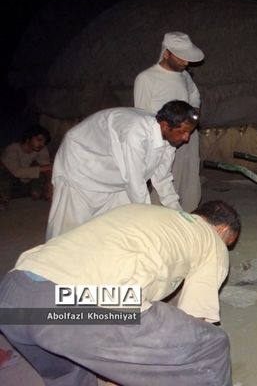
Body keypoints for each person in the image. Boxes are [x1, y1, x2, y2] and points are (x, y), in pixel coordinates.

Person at [0, 200, 241, 385]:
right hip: (83, 299)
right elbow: (195, 319)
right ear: (221, 230)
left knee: (69, 367)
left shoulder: (144, 210)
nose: (226, 248)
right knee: (212, 345)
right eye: (229, 242)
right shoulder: (212, 240)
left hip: (14, 295)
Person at [46, 100, 198, 240]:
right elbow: (135, 183)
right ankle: (48, 265)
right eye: (183, 132)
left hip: (114, 172)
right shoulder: (135, 133)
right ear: (165, 125)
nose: (186, 138)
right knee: (69, 227)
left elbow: (162, 179)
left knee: (116, 223)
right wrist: (148, 222)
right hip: (82, 165)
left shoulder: (169, 139)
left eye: (189, 133)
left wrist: (181, 215)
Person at [134, 31, 205, 212]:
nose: (186, 62)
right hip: (163, 136)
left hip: (187, 132)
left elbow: (195, 98)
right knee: (162, 176)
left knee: (188, 175)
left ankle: (187, 212)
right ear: (166, 53)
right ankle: (161, 215)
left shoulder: (185, 76)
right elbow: (141, 114)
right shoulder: (146, 78)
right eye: (181, 58)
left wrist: (193, 119)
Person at [0, 125, 53, 209]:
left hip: (25, 182)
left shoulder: (41, 149)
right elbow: (17, 172)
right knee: (3, 169)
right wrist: (45, 168)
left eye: (44, 142)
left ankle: (36, 193)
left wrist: (49, 184)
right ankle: (3, 199)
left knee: (43, 169)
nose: (42, 144)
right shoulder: (12, 149)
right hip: (12, 180)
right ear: (29, 138)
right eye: (39, 140)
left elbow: (48, 168)